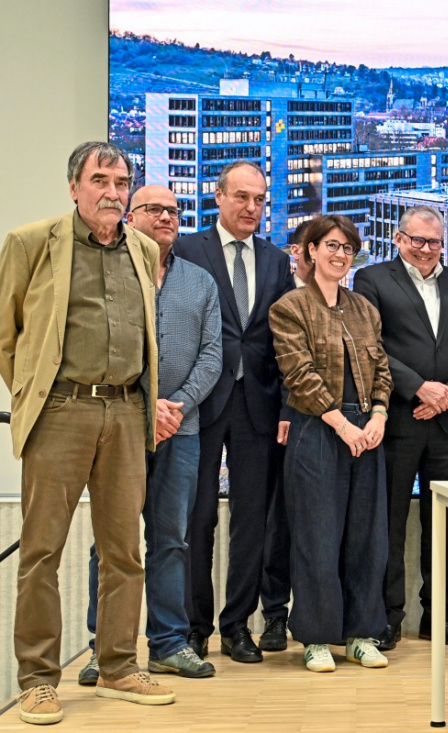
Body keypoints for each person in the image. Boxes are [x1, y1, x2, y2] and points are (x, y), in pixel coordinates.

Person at [0, 141, 174, 724]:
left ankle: (118, 666)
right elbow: (7, 335)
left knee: (124, 550)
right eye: (100, 180)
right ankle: (37, 680)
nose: (112, 193)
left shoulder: (143, 247)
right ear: (74, 186)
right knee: (41, 552)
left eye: (121, 182)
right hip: (61, 411)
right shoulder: (31, 243)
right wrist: (33, 395)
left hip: (126, 412)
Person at [79, 185, 222, 685]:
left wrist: (174, 406)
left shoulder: (200, 281)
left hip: (182, 430)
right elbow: (104, 346)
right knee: (111, 541)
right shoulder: (112, 273)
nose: (166, 217)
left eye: (174, 210)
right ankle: (105, 650)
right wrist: (147, 405)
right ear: (130, 217)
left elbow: (213, 355)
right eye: (154, 209)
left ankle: (168, 645)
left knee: (171, 540)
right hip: (119, 427)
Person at [174, 160, 295, 664]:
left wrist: (287, 404)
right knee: (197, 519)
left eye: (259, 199)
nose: (251, 207)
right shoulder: (187, 250)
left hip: (258, 406)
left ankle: (237, 627)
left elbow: (286, 342)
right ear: (219, 196)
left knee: (252, 522)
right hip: (199, 402)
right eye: (241, 197)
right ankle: (194, 628)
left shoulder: (276, 260)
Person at [270, 214, 393, 672]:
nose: (340, 255)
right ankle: (317, 638)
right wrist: (343, 426)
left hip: (367, 431)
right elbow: (299, 375)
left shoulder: (364, 308)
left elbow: (382, 369)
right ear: (311, 250)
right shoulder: (290, 307)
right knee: (317, 537)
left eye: (347, 248)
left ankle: (361, 635)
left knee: (367, 539)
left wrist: (378, 414)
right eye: (332, 246)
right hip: (318, 429)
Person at [353, 205, 448, 650]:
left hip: (447, 424)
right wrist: (419, 388)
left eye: (434, 241)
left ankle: (438, 616)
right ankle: (388, 617)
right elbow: (371, 346)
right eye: (417, 240)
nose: (426, 249)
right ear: (399, 238)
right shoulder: (372, 279)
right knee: (389, 523)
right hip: (398, 419)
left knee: (445, 526)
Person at [259, 220, 314, 654]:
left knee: (320, 526)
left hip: (330, 427)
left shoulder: (346, 302)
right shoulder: (277, 293)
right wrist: (284, 411)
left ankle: (316, 616)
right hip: (282, 422)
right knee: (279, 523)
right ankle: (275, 614)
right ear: (297, 251)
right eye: (312, 247)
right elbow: (273, 363)